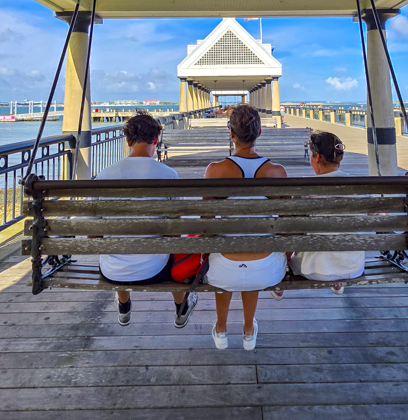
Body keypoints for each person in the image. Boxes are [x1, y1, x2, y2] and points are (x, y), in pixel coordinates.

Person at [96, 111, 198, 327]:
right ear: (156, 140)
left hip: (112, 272)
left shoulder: (104, 175)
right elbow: (175, 231)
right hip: (154, 270)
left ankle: (124, 304)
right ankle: (181, 307)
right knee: (175, 249)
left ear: (127, 141)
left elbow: (93, 234)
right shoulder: (168, 175)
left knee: (117, 242)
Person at [204, 103, 288, 350]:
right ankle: (248, 329)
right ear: (259, 133)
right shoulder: (277, 172)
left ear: (231, 134)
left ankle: (221, 328)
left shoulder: (215, 170)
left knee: (222, 252)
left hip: (223, 269)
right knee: (255, 248)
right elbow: (287, 224)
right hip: (265, 269)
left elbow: (206, 223)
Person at [289, 130, 365, 294]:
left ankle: (280, 277)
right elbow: (381, 216)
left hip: (314, 269)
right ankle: (338, 279)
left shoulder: (304, 189)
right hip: (353, 268)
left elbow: (291, 228)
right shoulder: (361, 186)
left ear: (317, 157)